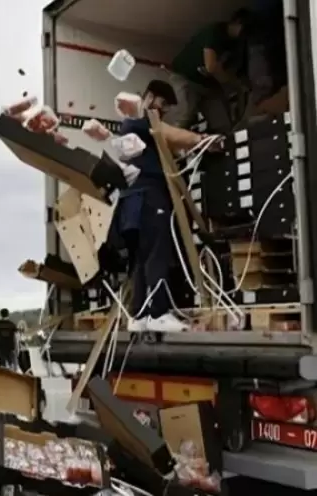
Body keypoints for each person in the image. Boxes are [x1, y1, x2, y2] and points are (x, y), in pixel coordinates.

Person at [115, 79, 216, 332]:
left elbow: (167, 143)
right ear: (149, 98)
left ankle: (138, 316)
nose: (163, 111)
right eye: (162, 104)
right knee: (158, 254)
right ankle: (158, 313)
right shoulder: (143, 121)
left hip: (131, 203)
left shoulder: (129, 128)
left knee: (140, 259)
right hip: (150, 198)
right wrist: (203, 139)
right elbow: (172, 134)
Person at [166, 9, 250, 131]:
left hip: (210, 85)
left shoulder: (237, 45)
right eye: (245, 29)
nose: (246, 35)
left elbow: (221, 70)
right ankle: (167, 146)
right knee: (183, 115)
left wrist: (226, 78)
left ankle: (224, 147)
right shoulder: (215, 31)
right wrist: (234, 83)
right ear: (237, 23)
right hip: (186, 78)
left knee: (224, 124)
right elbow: (211, 67)